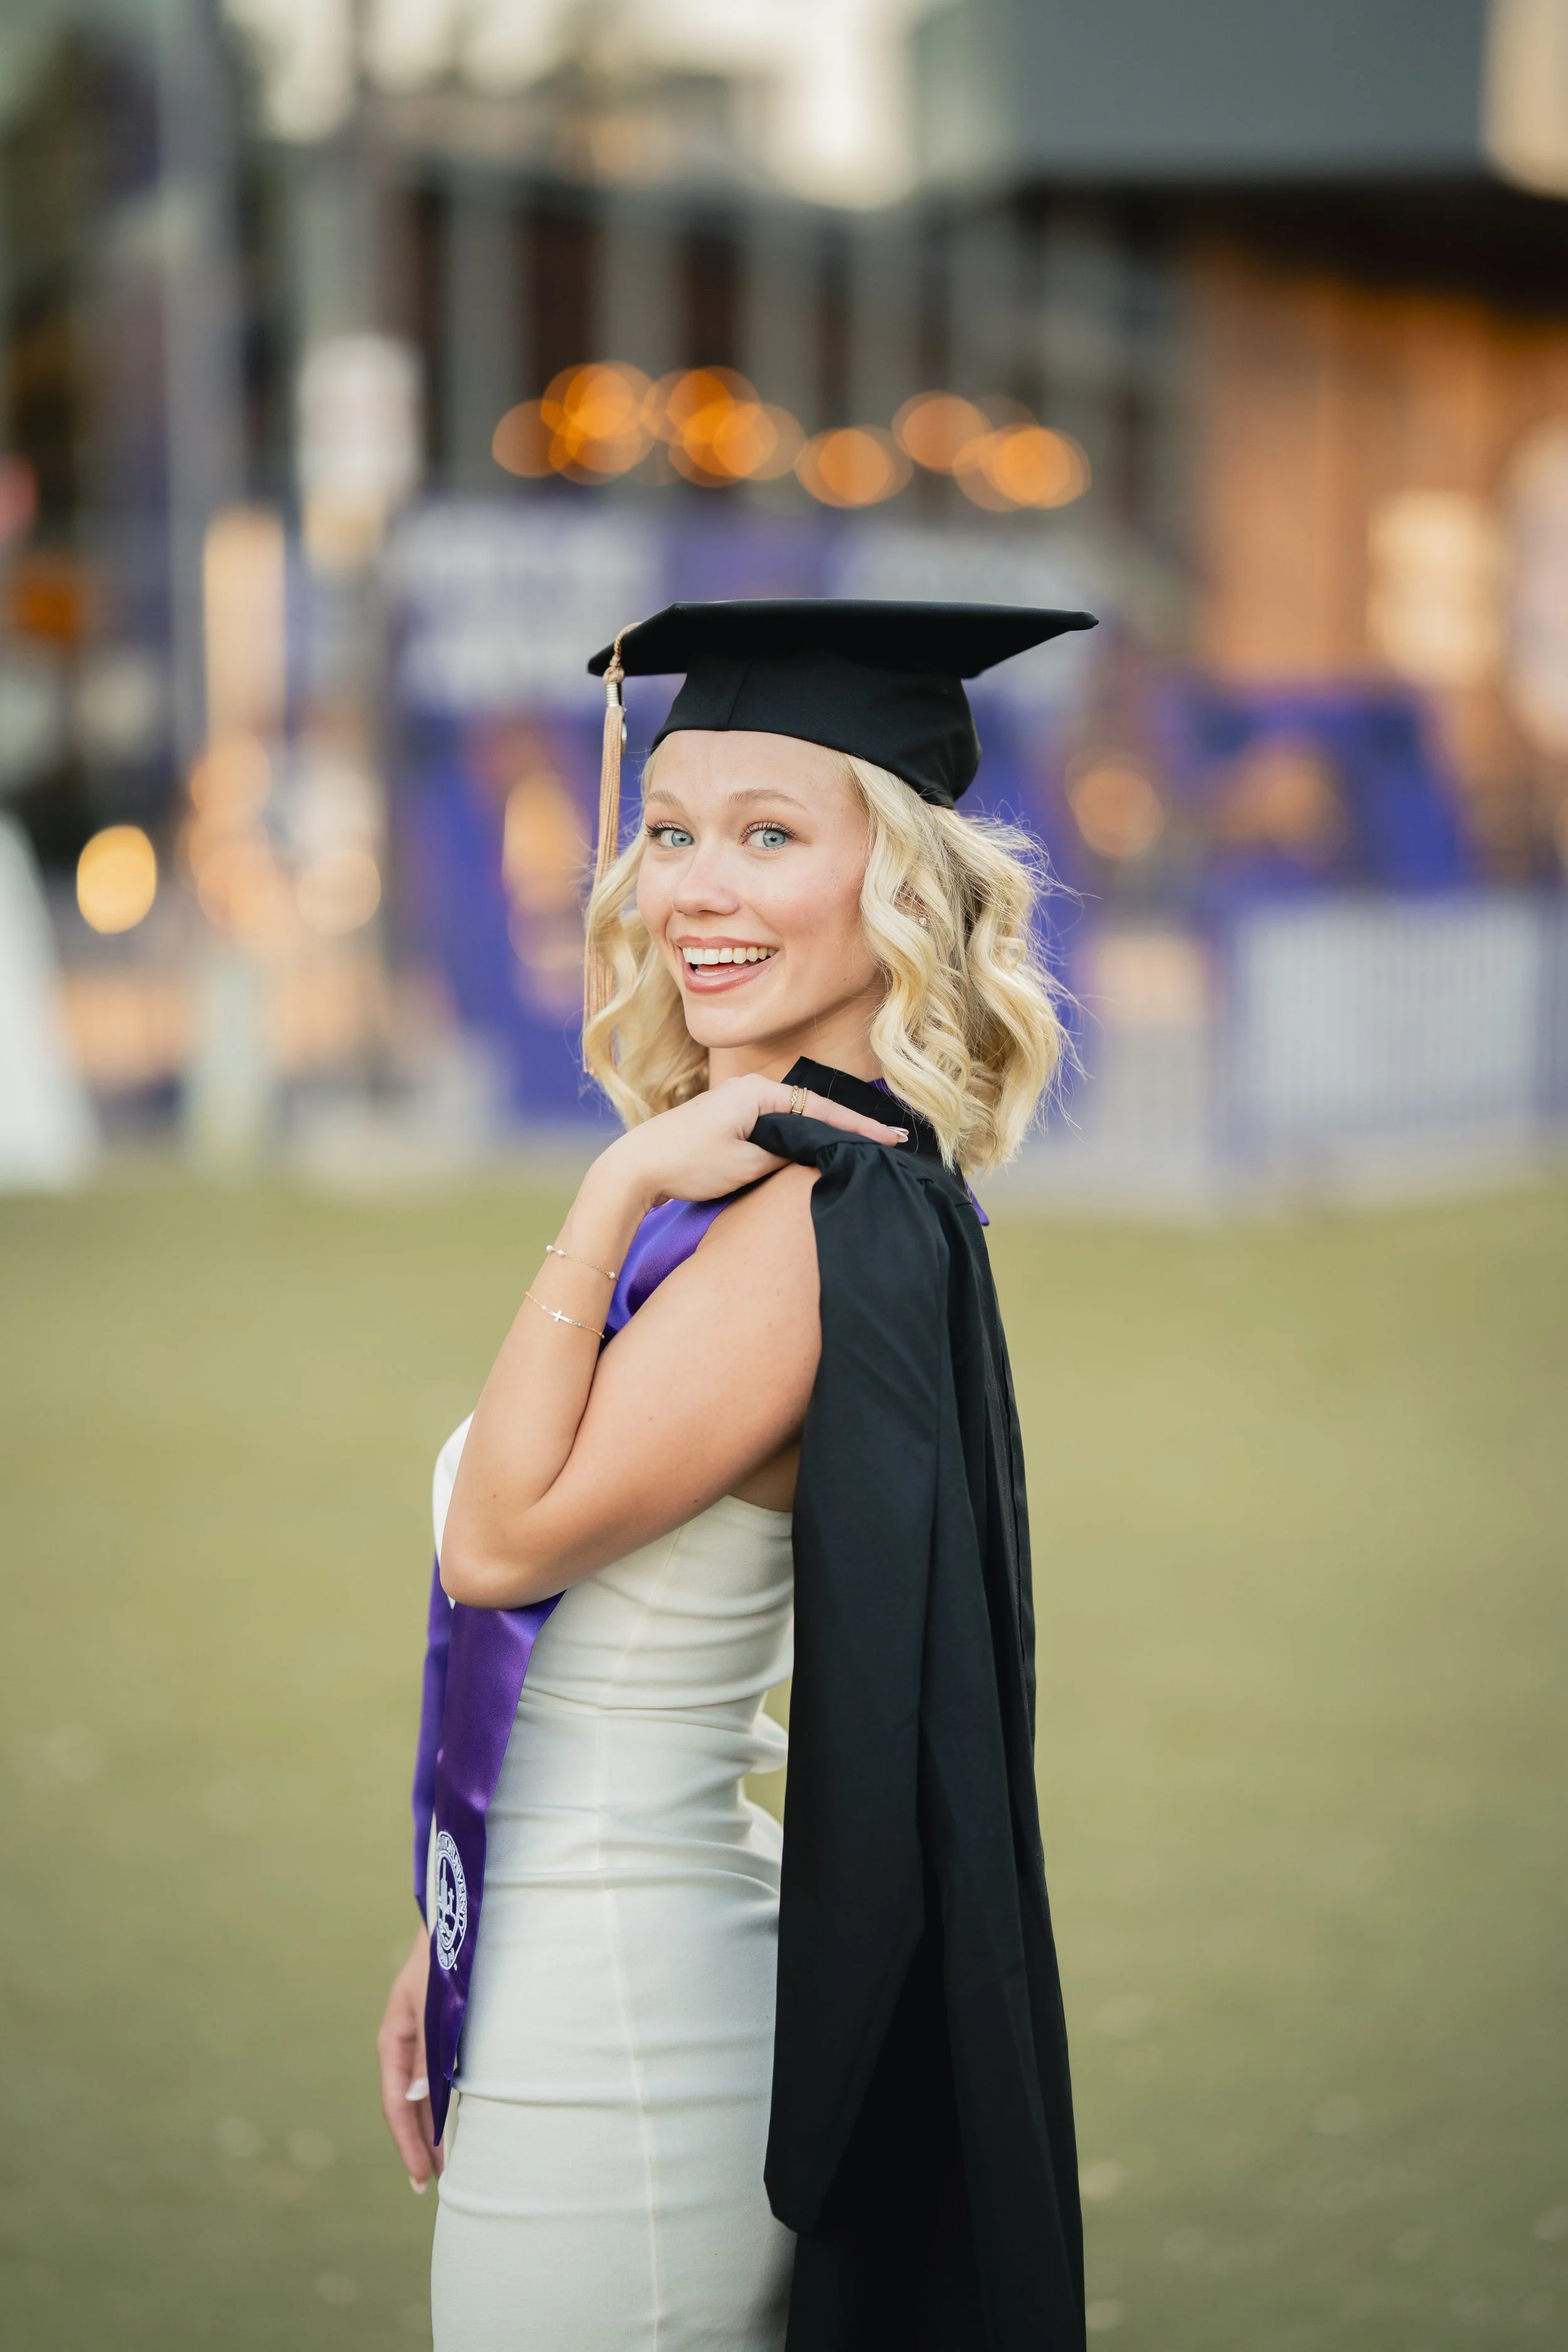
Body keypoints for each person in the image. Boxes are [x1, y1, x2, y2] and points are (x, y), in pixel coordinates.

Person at [376, 598, 1096, 2351]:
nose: (694, 886)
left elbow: (500, 1543)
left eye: (770, 835)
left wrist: (605, 1191)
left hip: (622, 2024)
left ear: (897, 886)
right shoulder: (760, 1177)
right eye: (673, 829)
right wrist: (461, 1916)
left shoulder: (800, 1219)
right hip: (570, 1959)